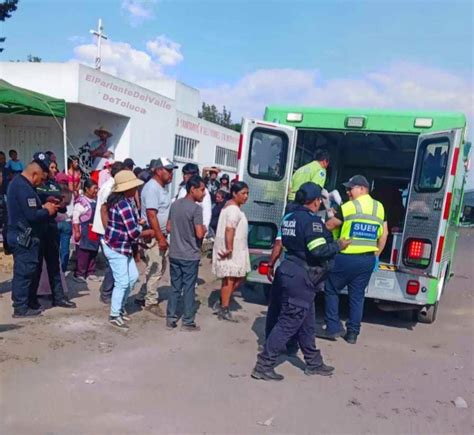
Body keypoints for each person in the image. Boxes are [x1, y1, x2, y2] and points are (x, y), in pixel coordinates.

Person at [252, 182, 350, 381]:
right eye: (320, 200)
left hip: (289, 270)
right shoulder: (312, 222)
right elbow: (318, 250)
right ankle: (264, 365)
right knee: (289, 322)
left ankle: (314, 362)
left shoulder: (289, 217)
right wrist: (338, 245)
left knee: (307, 322)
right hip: (302, 275)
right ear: (315, 201)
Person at [317, 175, 388, 344]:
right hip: (367, 260)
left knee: (331, 289)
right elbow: (384, 233)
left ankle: (333, 327)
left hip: (346, 257)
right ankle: (352, 334)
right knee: (357, 296)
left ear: (362, 189)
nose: (348, 191)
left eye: (351, 188)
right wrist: (377, 253)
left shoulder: (348, 207)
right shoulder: (379, 207)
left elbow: (330, 225)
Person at [6, 152, 60, 317]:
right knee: (24, 272)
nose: (42, 182)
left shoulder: (23, 185)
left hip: (25, 235)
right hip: (23, 236)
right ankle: (21, 308)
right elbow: (32, 215)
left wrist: (44, 199)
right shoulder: (23, 187)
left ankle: (28, 302)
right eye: (42, 179)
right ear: (35, 173)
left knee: (30, 270)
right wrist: (47, 210)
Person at [103, 170, 155, 329]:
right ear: (127, 189)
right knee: (123, 282)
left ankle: (119, 308)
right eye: (133, 187)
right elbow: (133, 232)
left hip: (121, 246)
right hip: (116, 247)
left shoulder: (123, 202)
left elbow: (128, 225)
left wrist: (137, 222)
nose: (136, 190)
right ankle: (114, 314)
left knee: (132, 278)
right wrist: (149, 232)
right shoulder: (123, 204)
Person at [135, 157, 177, 315]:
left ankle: (142, 295)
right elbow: (151, 215)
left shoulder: (161, 187)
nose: (171, 174)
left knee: (157, 266)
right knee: (156, 268)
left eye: (172, 171)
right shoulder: (152, 188)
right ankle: (150, 302)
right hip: (153, 235)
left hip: (159, 233)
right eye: (168, 170)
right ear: (158, 170)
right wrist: (160, 238)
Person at [166, 175, 206, 331]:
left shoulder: (175, 205)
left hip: (175, 252)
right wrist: (203, 229)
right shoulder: (196, 209)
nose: (204, 194)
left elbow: (169, 228)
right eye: (202, 190)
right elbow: (199, 234)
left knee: (175, 286)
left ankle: (171, 317)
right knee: (189, 288)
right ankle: (188, 320)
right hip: (190, 255)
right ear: (193, 189)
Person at [35, 159, 76, 308]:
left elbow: (62, 206)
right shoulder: (36, 187)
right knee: (39, 265)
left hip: (52, 227)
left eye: (54, 167)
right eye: (50, 168)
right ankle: (35, 296)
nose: (53, 170)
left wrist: (58, 204)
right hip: (40, 229)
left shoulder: (54, 186)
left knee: (54, 264)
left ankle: (58, 296)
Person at [212, 181, 250, 322]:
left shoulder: (231, 207)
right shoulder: (233, 209)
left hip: (236, 248)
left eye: (247, 193)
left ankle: (222, 301)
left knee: (236, 277)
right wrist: (229, 248)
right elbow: (229, 228)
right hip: (232, 250)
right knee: (230, 278)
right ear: (234, 193)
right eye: (243, 193)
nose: (246, 196)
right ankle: (224, 308)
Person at [92, 161, 126, 304]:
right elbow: (104, 211)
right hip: (106, 230)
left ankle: (108, 290)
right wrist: (109, 232)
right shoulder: (109, 188)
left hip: (109, 230)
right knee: (113, 263)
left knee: (113, 263)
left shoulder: (114, 186)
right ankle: (106, 293)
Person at [72, 179, 100, 282]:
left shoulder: (97, 201)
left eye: (97, 188)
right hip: (83, 231)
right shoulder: (81, 202)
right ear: (87, 189)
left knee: (93, 252)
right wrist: (77, 232)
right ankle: (80, 273)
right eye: (94, 188)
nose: (96, 190)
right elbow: (75, 218)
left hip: (94, 230)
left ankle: (90, 272)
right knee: (83, 253)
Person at [176, 163, 212, 233]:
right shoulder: (182, 189)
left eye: (187, 174)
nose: (184, 177)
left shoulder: (203, 191)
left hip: (196, 230)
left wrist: (204, 228)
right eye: (184, 174)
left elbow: (207, 213)